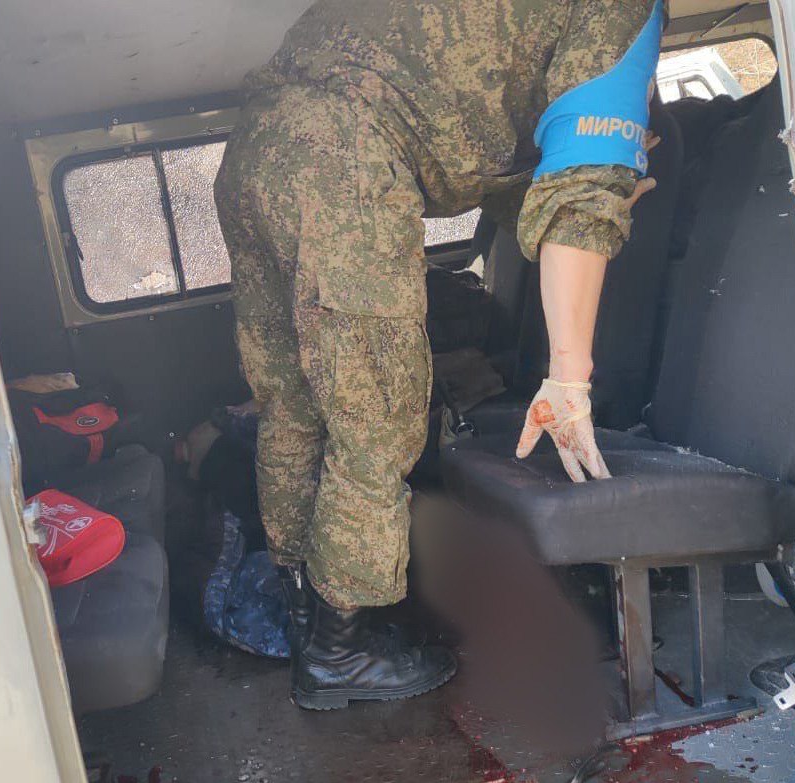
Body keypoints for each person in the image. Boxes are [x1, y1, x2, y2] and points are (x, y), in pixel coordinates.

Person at [214, 0, 665, 710]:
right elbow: (582, 192)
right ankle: (340, 652)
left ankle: (309, 617)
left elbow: (484, 144)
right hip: (341, 157)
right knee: (376, 415)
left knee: (295, 405)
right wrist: (569, 378)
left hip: (256, 150)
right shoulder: (619, 8)